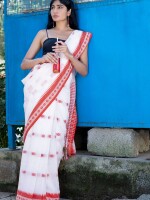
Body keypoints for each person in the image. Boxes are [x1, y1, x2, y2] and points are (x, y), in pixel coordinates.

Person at [16, 0, 92, 199]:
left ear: (68, 11)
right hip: (39, 90)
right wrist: (42, 59)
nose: (54, 11)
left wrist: (68, 54)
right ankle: (27, 193)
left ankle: (48, 193)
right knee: (36, 139)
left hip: (61, 92)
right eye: (53, 7)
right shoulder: (44, 34)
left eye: (59, 7)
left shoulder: (78, 37)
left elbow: (83, 70)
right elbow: (24, 63)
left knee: (53, 141)